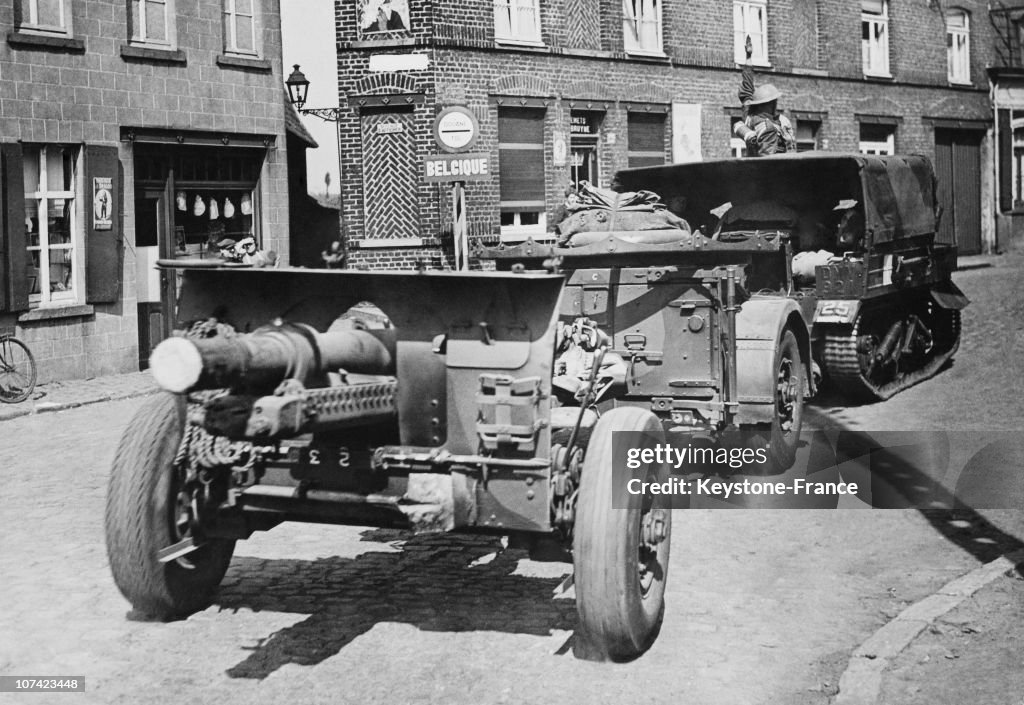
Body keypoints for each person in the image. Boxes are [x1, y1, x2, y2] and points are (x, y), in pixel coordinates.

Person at [734, 36, 797, 157]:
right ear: (770, 104)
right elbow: (767, 160)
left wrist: (748, 58)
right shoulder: (768, 128)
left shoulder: (749, 116)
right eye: (774, 101)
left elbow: (747, 87)